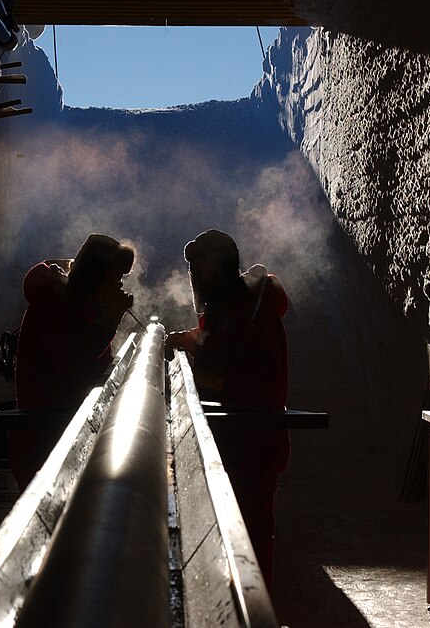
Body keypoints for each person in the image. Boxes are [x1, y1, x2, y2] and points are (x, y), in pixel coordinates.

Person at [166, 229, 290, 590]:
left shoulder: (255, 312)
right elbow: (218, 340)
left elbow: (258, 378)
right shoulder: (229, 305)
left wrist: (205, 379)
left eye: (197, 271)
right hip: (234, 449)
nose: (192, 280)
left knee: (248, 547)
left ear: (217, 270)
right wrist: (185, 340)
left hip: (252, 450)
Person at [10, 234, 134, 489]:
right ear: (95, 277)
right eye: (114, 280)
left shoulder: (80, 306)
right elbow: (73, 367)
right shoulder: (52, 304)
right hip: (46, 442)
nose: (118, 288)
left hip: (67, 433)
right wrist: (109, 321)